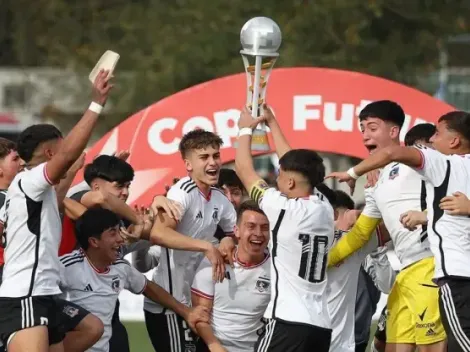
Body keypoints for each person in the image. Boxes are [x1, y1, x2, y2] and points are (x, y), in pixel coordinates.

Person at [328, 110, 470, 352]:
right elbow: (361, 234)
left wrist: (354, 172)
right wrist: (325, 261)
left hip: (430, 267)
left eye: (372, 128)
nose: (365, 136)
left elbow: (396, 154)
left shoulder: (428, 162)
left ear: (394, 132)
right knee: (387, 346)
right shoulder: (376, 185)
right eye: (362, 129)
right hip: (405, 275)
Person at [0, 69, 113, 352]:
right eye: (62, 148)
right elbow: (67, 155)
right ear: (50, 154)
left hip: (44, 293)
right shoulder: (29, 180)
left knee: (92, 327)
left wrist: (74, 169)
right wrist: (96, 103)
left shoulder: (37, 190)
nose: (69, 152)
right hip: (26, 294)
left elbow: (60, 187)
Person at [234, 105, 334, 352]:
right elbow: (293, 162)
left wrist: (245, 129)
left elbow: (244, 170)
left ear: (290, 181)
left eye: (279, 176)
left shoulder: (283, 210)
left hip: (288, 322)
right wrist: (272, 122)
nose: (276, 181)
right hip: (321, 327)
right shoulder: (325, 206)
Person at [59, 207, 210, 352]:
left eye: (120, 231)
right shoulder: (65, 266)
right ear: (94, 242)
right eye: (113, 234)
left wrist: (187, 312)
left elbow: (149, 288)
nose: (120, 239)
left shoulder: (121, 268)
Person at [143, 129, 237, 352]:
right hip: (169, 305)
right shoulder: (182, 192)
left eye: (216, 156)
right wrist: (206, 246)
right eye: (204, 157)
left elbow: (234, 232)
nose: (213, 162)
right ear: (188, 164)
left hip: (198, 303)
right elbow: (159, 234)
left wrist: (228, 241)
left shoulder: (220, 198)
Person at [191, 200, 271, 352]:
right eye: (251, 226)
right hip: (214, 346)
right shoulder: (214, 261)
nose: (258, 234)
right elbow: (200, 315)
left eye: (265, 228)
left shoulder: (278, 268)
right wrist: (215, 346)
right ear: (237, 230)